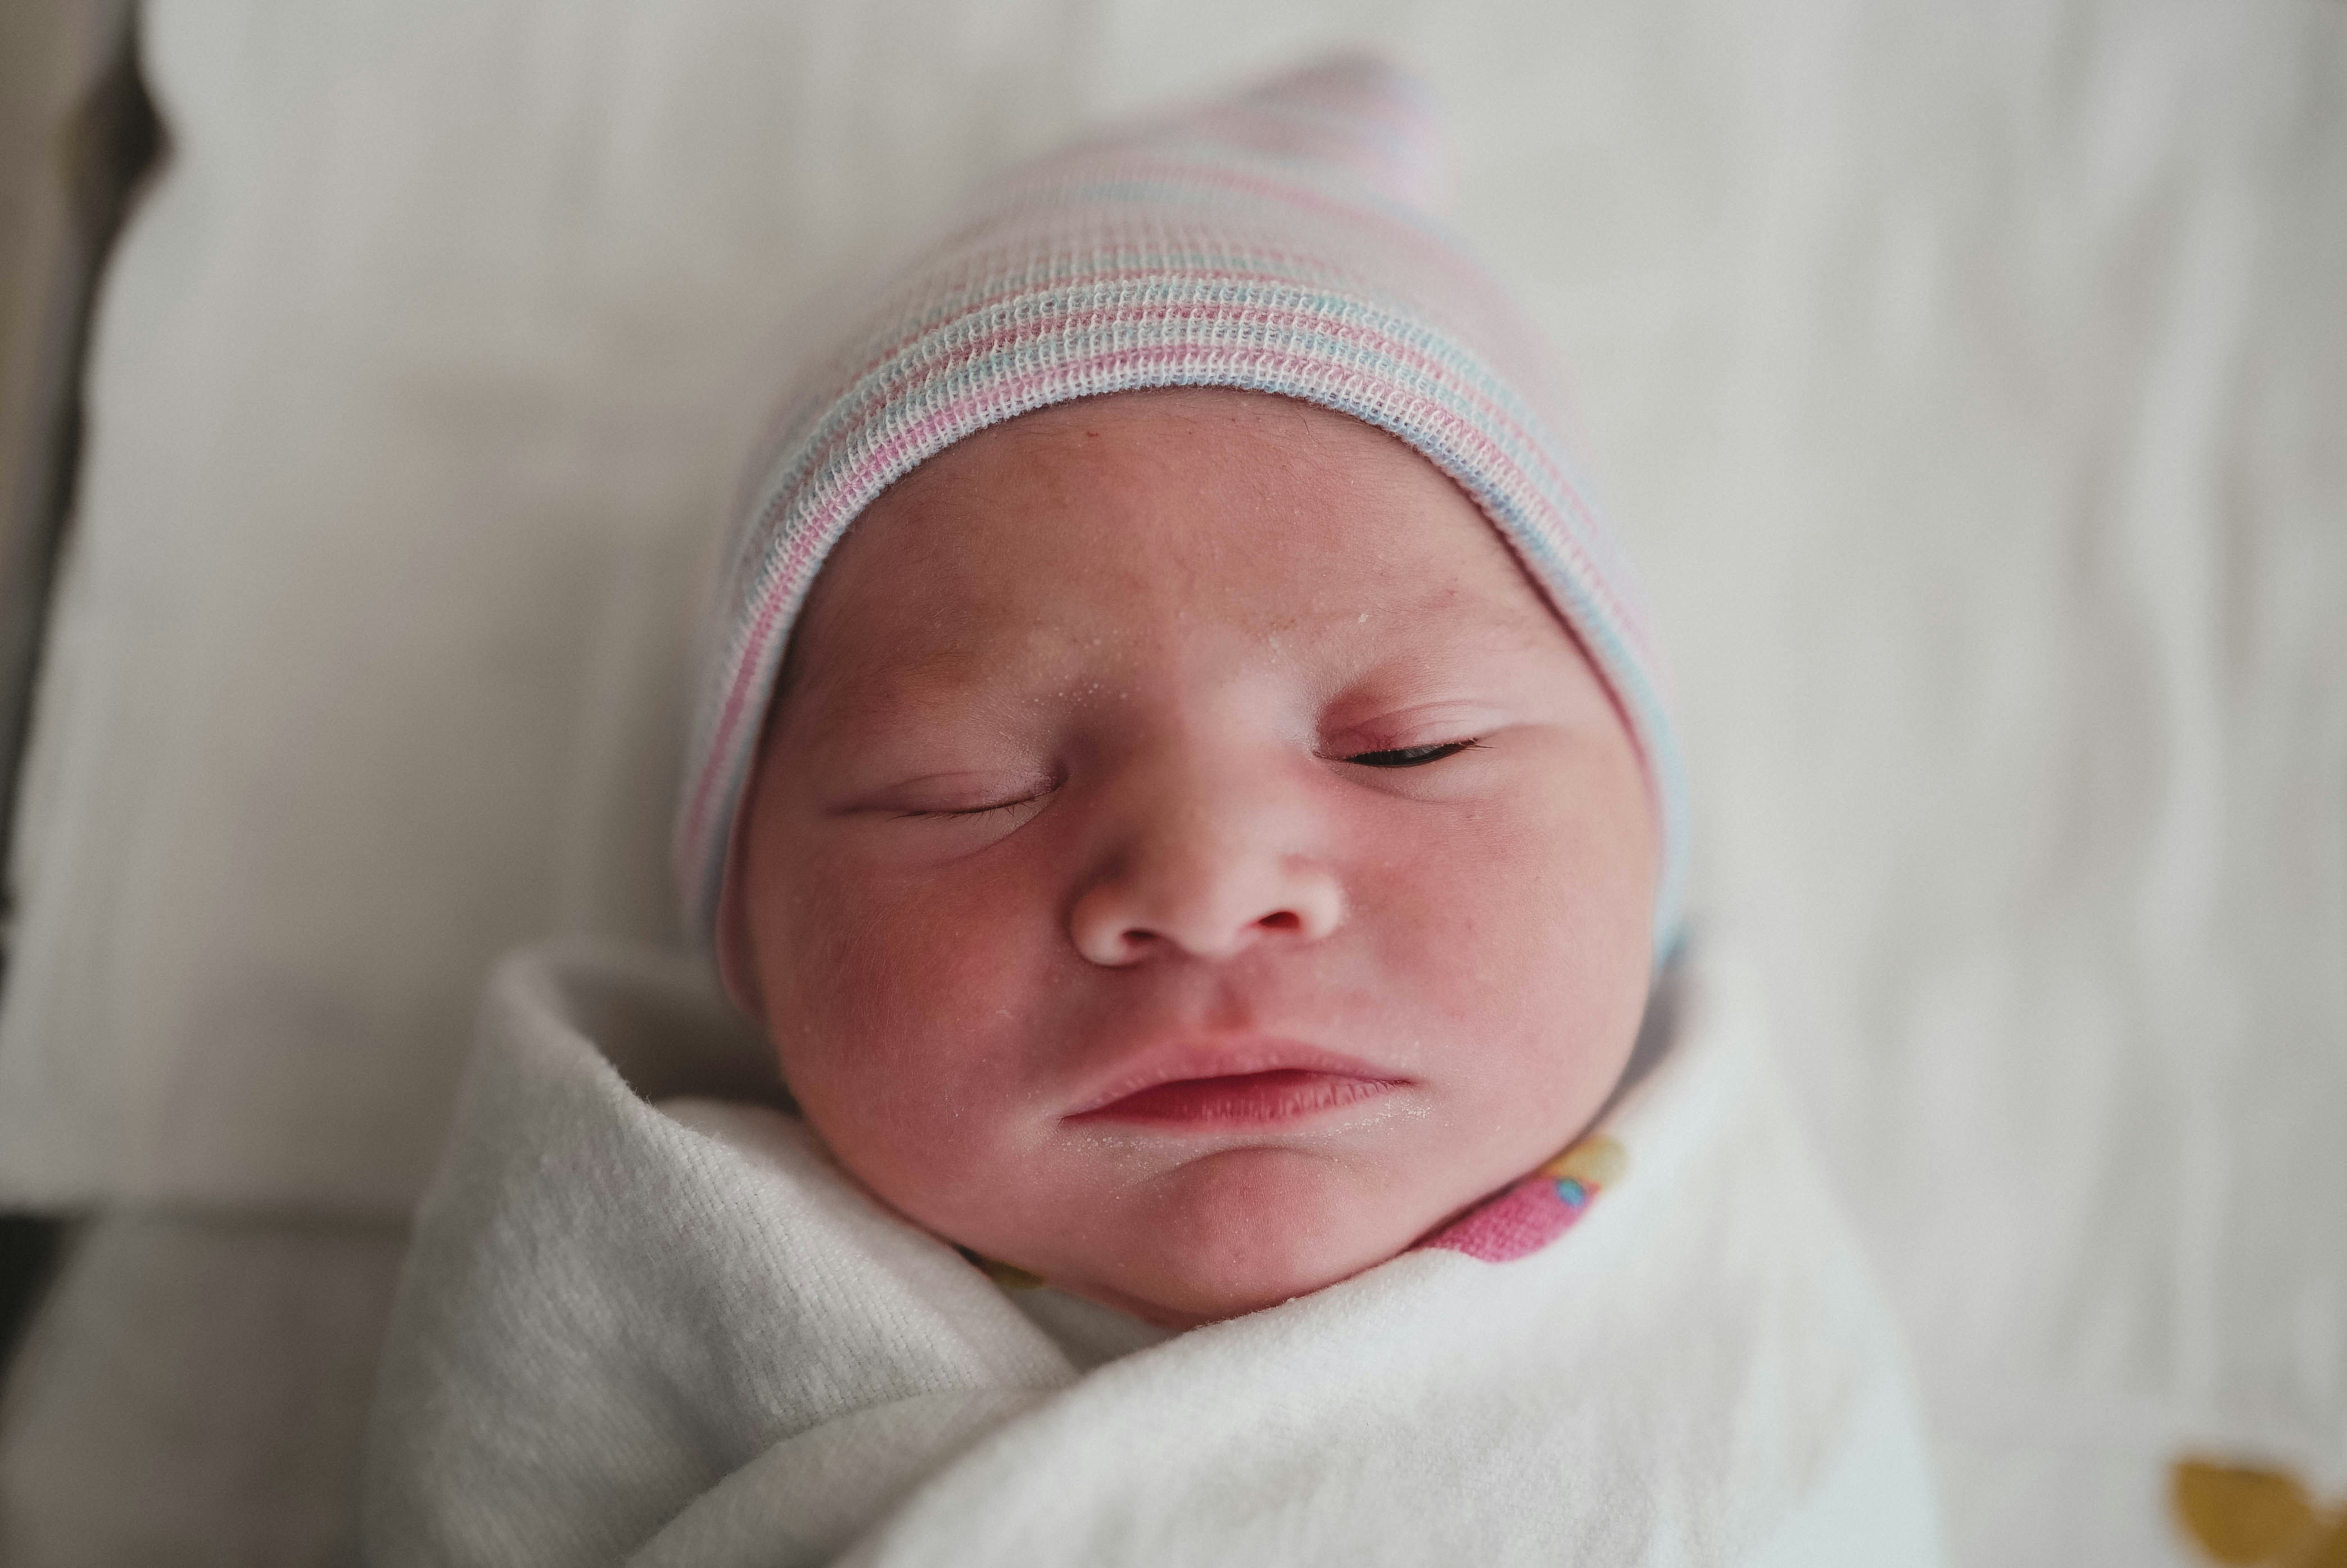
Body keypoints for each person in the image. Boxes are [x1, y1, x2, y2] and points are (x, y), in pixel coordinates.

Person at [363, 53, 1944, 1565]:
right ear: (754, 946)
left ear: (1651, 845)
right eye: (964, 790)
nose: (1202, 877)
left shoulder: (1734, 1355)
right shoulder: (640, 1282)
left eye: (1410, 748)